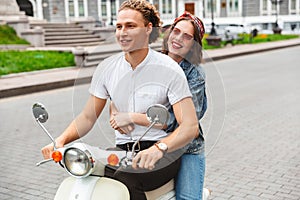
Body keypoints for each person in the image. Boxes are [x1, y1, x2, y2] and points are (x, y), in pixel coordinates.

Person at [41, 1, 199, 200]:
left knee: (126, 179)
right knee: (89, 175)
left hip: (162, 151)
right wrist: (60, 141)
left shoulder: (169, 69)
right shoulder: (107, 69)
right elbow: (88, 117)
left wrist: (159, 149)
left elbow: (190, 126)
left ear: (148, 28)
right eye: (119, 26)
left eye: (130, 26)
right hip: (123, 149)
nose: (122, 32)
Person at [110, 11, 207, 200]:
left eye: (187, 37)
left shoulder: (195, 74)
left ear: (194, 45)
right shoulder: (150, 60)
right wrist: (116, 115)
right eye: (176, 31)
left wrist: (132, 117)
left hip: (185, 147)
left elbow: (176, 122)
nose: (178, 38)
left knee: (187, 198)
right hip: (146, 141)